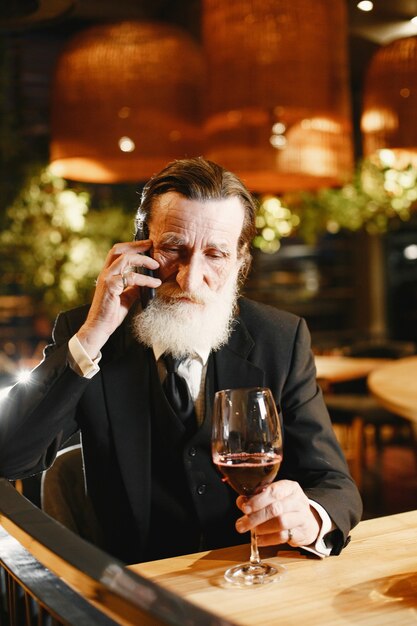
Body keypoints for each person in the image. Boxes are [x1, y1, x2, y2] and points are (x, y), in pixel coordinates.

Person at [0, 157, 362, 564]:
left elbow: (334, 483)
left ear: (240, 261)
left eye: (216, 254)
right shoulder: (88, 332)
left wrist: (310, 518)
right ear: (141, 248)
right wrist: (94, 333)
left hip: (256, 579)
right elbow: (11, 455)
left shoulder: (281, 338)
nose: (191, 279)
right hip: (137, 588)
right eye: (175, 248)